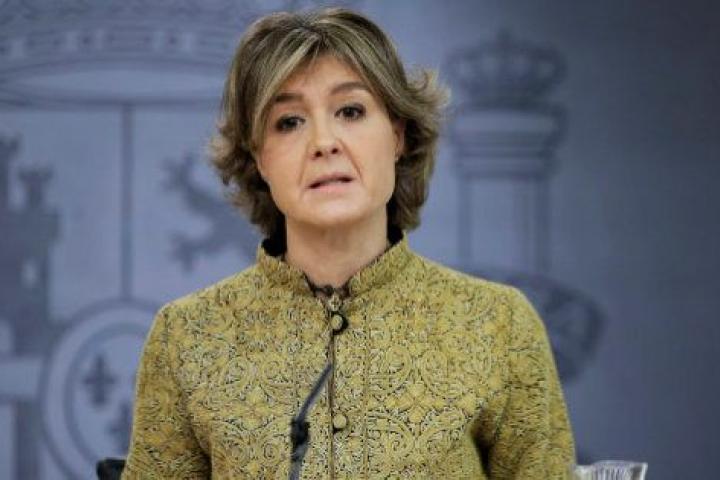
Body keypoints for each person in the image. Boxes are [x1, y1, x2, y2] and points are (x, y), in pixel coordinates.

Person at [122, 7, 575, 479]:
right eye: (289, 121)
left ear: (397, 135)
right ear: (259, 158)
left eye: (350, 111)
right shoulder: (188, 335)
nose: (324, 142)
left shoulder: (498, 325)